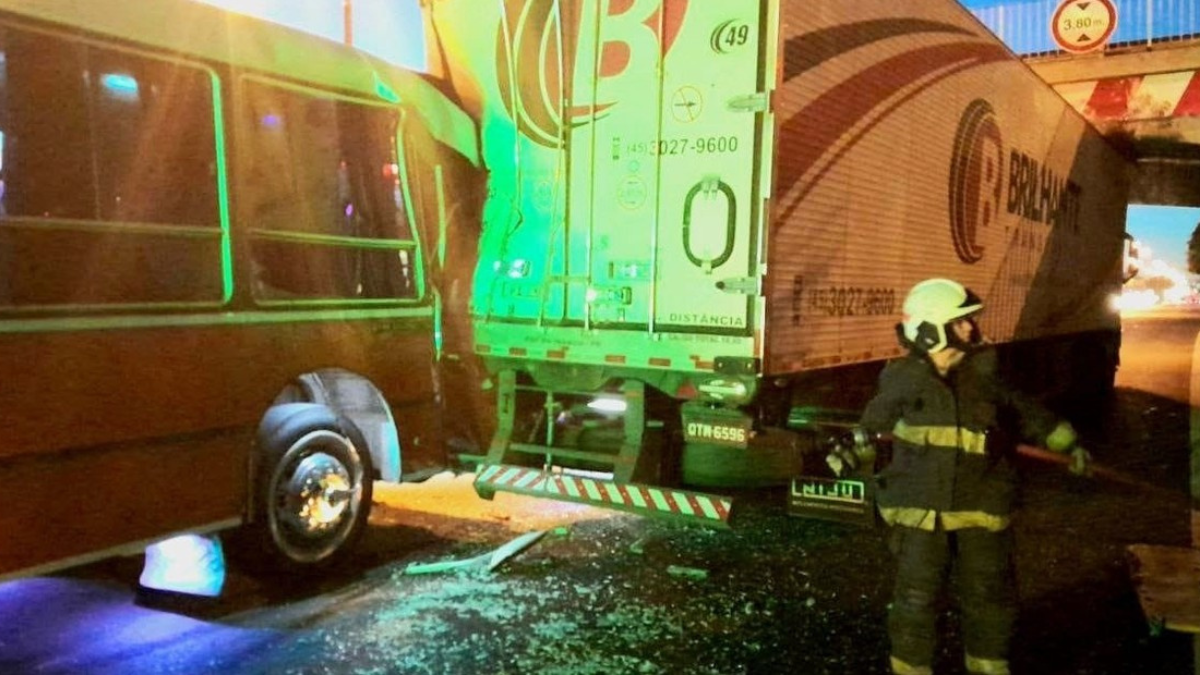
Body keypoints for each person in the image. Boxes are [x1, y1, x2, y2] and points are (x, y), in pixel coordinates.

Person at [830, 278, 1091, 675]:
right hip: (921, 509)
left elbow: (1028, 413)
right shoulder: (901, 379)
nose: (971, 328)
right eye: (961, 322)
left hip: (981, 503)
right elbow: (873, 424)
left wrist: (1068, 445)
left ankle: (988, 667)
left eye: (969, 321)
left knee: (989, 595)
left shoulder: (986, 373)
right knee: (916, 599)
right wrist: (851, 449)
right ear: (933, 329)